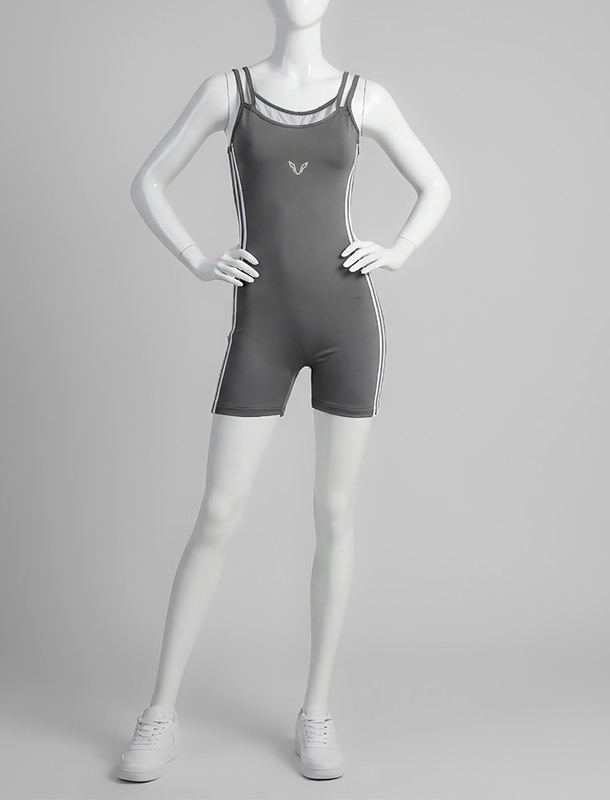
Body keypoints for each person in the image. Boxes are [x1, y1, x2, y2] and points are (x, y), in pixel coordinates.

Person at [117, 0, 451, 783]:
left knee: (334, 515)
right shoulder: (228, 92)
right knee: (218, 513)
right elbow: (148, 181)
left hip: (347, 325)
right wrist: (197, 256)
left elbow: (435, 186)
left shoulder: (364, 98)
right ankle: (159, 715)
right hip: (262, 327)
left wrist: (399, 249)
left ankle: (316, 712)